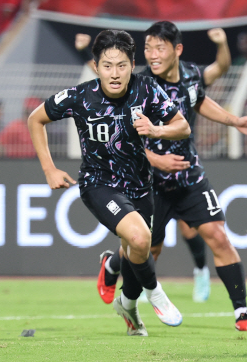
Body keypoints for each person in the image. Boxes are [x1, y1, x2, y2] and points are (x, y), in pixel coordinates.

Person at [96, 22, 247, 332]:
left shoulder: (190, 75)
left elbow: (198, 100)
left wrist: (234, 121)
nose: (152, 54)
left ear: (177, 50)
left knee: (218, 236)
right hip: (149, 183)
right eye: (148, 48)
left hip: (189, 176)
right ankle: (112, 266)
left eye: (159, 48)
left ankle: (242, 313)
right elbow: (119, 137)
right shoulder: (139, 84)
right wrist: (155, 159)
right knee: (147, 250)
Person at [28, 30, 190, 336]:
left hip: (140, 186)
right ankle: (155, 293)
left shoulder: (147, 90)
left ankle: (127, 305)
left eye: (121, 66)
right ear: (95, 66)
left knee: (136, 249)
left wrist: (157, 131)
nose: (114, 74)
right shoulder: (80, 97)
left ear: (132, 64)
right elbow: (36, 119)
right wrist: (49, 169)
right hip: (98, 184)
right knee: (142, 239)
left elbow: (181, 126)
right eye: (107, 66)